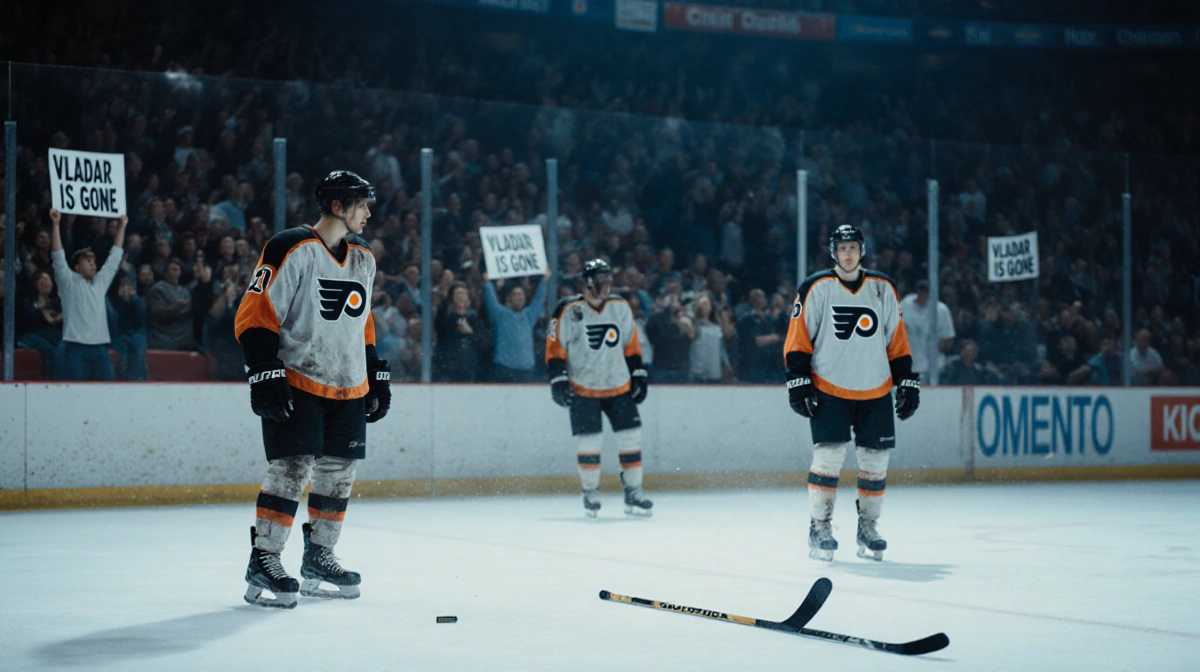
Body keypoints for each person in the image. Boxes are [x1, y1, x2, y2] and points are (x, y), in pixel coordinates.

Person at [233, 171, 390, 609]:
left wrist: (374, 371)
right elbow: (255, 314)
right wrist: (264, 370)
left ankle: (320, 555)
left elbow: (364, 320)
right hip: (298, 379)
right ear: (338, 206)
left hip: (348, 384)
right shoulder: (289, 247)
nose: (369, 211)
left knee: (339, 472)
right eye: (362, 203)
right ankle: (264, 557)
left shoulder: (364, 257)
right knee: (291, 468)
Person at [784, 224, 919, 562]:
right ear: (834, 252)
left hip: (875, 388)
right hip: (829, 386)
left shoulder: (883, 287)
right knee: (828, 457)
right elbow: (799, 337)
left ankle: (868, 526)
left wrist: (906, 380)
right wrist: (798, 378)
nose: (848, 254)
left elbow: (896, 340)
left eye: (853, 248)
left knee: (875, 461)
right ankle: (820, 526)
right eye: (841, 248)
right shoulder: (816, 287)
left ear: (862, 251)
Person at [546, 258, 653, 518]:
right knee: (589, 442)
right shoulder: (568, 309)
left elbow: (631, 346)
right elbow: (554, 346)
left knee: (631, 437)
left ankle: (634, 490)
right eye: (601, 279)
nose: (606, 284)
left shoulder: (621, 307)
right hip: (584, 386)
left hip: (619, 385)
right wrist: (558, 378)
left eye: (608, 279)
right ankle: (590, 491)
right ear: (588, 281)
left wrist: (638, 374)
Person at [49, 208, 128, 381]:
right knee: (77, 396)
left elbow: (114, 258)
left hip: (101, 349)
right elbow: (58, 256)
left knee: (107, 395)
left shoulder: (100, 282)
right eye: (87, 261)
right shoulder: (68, 281)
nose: (93, 264)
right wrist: (55, 224)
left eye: (93, 261)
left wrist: (121, 227)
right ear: (77, 266)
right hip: (77, 350)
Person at [482, 269, 551, 382]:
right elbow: (491, 301)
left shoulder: (529, 315)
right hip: (504, 368)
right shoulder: (500, 314)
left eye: (521, 294)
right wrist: (487, 283)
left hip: (526, 370)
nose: (518, 297)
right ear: (509, 298)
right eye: (515, 294)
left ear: (524, 297)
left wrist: (544, 281)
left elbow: (538, 300)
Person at [899, 280, 955, 384]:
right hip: (911, 366)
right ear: (916, 290)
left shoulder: (940, 309)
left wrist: (941, 348)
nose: (923, 293)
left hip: (935, 367)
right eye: (921, 290)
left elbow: (949, 336)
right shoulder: (905, 305)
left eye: (926, 291)